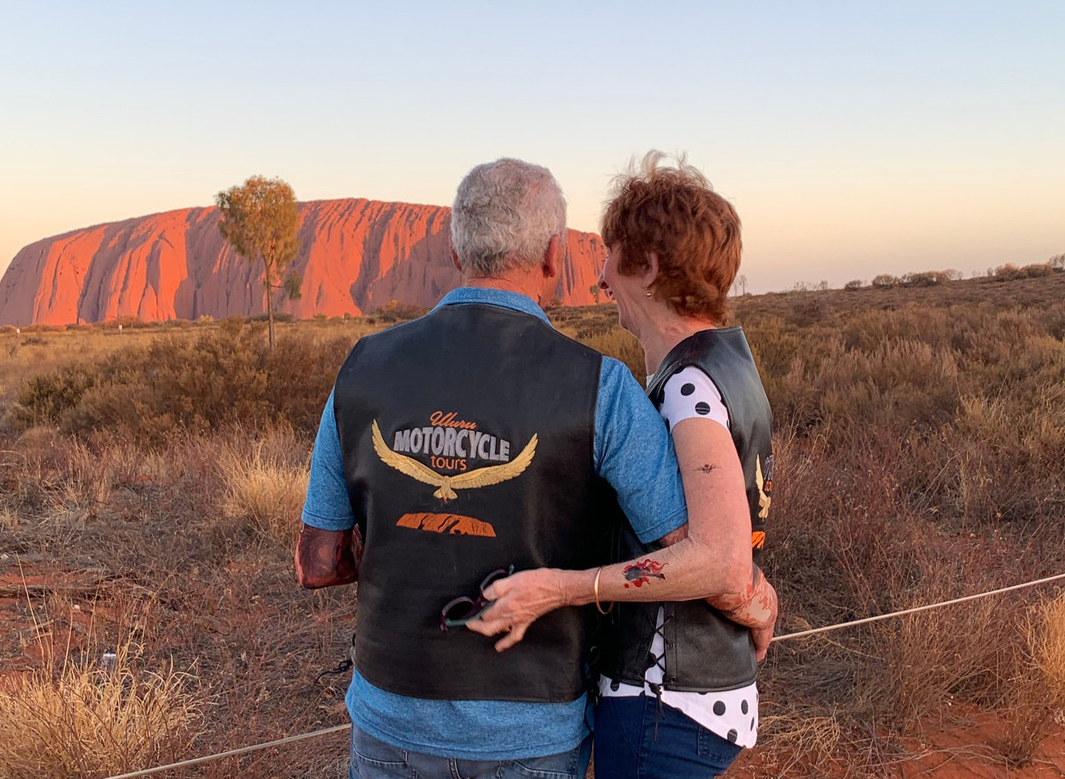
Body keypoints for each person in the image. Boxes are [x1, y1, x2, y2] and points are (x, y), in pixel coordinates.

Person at [294, 158, 748, 779]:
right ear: (553, 256)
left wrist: (406, 545)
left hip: (390, 718)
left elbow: (318, 564)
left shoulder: (362, 368)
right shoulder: (602, 387)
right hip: (532, 729)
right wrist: (755, 599)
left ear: (457, 252)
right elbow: (690, 548)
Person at [466, 152, 777, 779]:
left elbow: (717, 557)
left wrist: (565, 587)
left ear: (651, 267)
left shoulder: (689, 385)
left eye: (611, 256)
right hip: (702, 692)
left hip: (664, 703)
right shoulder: (727, 367)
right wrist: (756, 598)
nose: (602, 277)